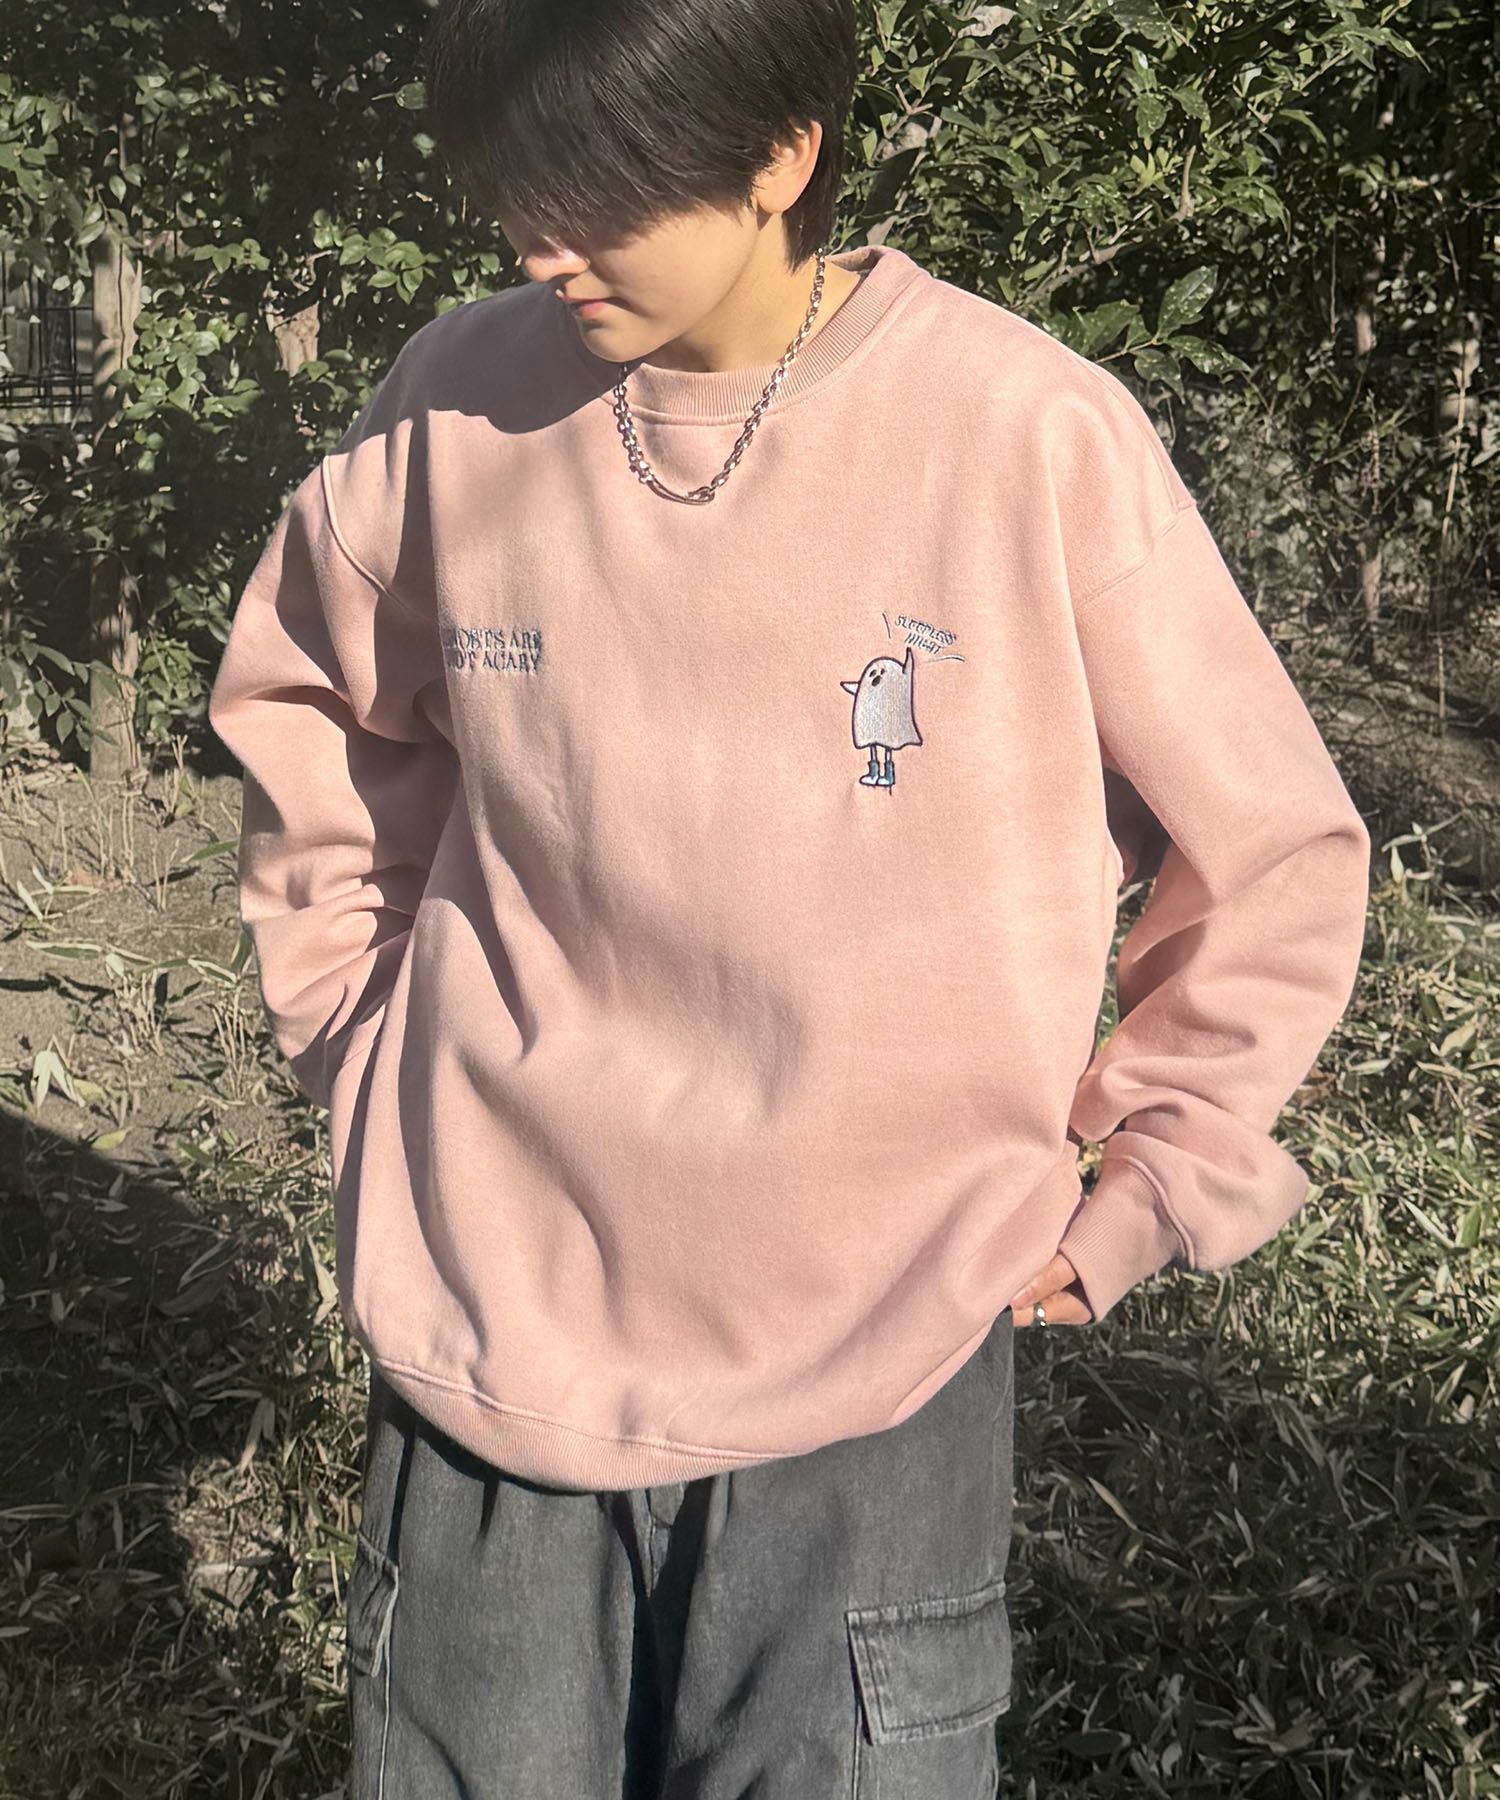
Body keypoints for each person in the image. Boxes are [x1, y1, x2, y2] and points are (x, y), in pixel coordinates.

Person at [206, 1, 1372, 1794]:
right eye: (518, 189)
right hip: (495, 1318)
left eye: (600, 193)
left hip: (879, 1343)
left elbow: (1272, 846)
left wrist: (1159, 1170)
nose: (542, 247)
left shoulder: (1024, 433)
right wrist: (371, 1056)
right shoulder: (452, 404)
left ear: (781, 156)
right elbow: (314, 719)